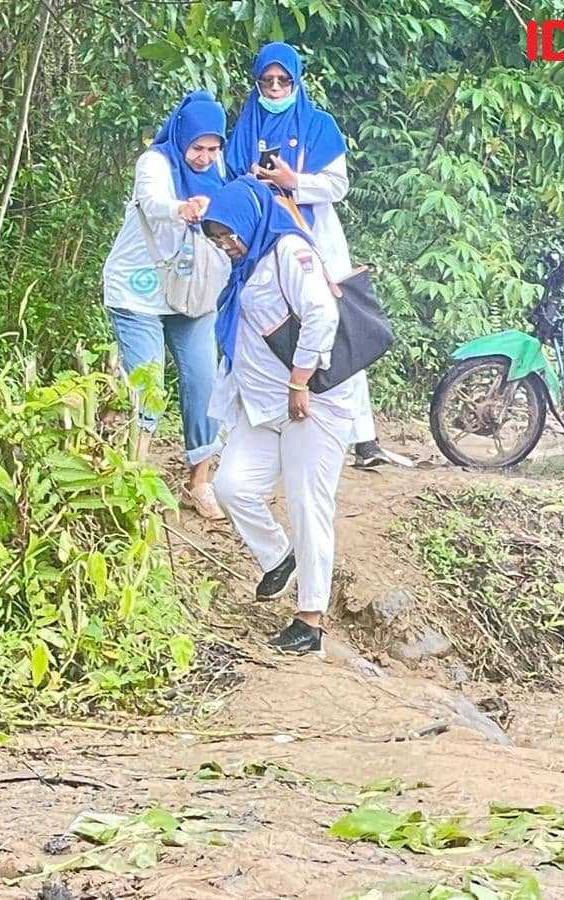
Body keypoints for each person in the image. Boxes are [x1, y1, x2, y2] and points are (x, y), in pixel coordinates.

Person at [203, 176, 365, 654]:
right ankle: (279, 555)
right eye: (217, 238)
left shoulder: (288, 251)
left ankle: (310, 620)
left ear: (252, 220)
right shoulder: (245, 266)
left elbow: (322, 313)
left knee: (307, 504)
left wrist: (299, 380)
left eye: (230, 234)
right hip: (264, 404)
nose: (227, 245)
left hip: (312, 401)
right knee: (232, 486)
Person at [225, 41, 395, 470]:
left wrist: (292, 180)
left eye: (284, 80)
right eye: (268, 81)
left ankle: (363, 436)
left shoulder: (319, 125)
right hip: (264, 245)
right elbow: (229, 183)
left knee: (338, 328)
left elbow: (337, 185)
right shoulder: (245, 127)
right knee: (271, 327)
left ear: (297, 81)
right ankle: (268, 419)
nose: (276, 87)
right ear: (257, 82)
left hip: (315, 237)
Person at [102, 91, 230, 519]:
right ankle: (133, 481)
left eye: (213, 149)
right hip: (137, 291)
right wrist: (183, 208)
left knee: (203, 382)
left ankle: (200, 482)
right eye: (198, 148)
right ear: (181, 139)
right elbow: (154, 203)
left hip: (191, 291)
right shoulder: (155, 163)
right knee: (148, 386)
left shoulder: (218, 168)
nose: (204, 157)